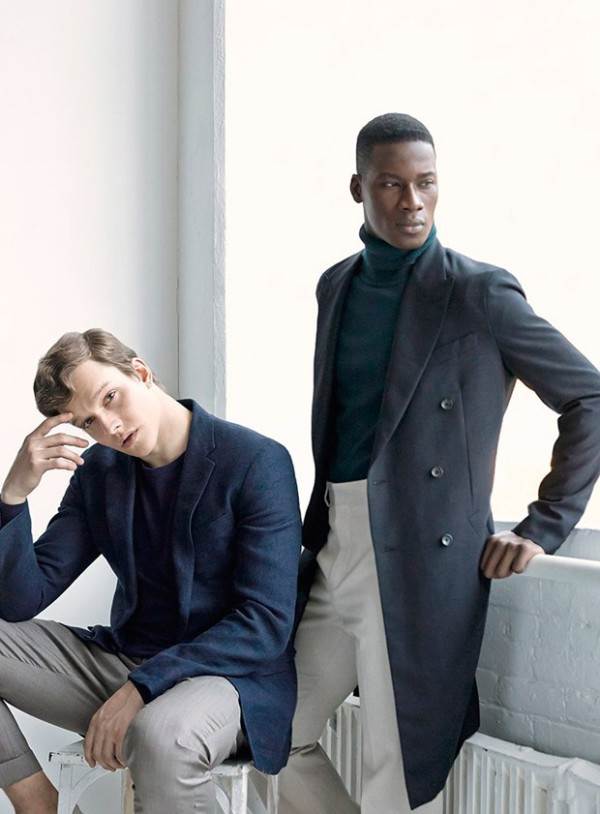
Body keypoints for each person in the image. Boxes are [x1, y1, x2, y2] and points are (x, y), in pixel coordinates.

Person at [278, 113, 600, 813]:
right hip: (335, 542)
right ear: (358, 187)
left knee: (393, 775)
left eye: (425, 183)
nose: (412, 202)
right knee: (278, 733)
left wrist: (543, 525)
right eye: (391, 185)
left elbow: (590, 398)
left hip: (421, 555)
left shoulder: (479, 292)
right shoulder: (336, 285)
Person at [0, 329, 302, 814]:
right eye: (89, 422)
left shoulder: (255, 461)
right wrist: (14, 494)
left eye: (110, 398)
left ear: (140, 372)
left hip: (227, 676)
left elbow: (264, 622)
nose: (110, 426)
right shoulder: (99, 473)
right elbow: (21, 599)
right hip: (126, 663)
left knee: (161, 736)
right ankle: (39, 804)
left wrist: (144, 688)